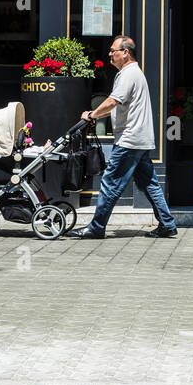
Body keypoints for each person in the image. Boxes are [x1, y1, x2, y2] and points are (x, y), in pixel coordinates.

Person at [67, 35, 178, 240]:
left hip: (129, 139)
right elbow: (120, 105)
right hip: (139, 139)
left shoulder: (128, 74)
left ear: (125, 53)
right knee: (150, 183)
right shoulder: (133, 73)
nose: (110, 54)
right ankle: (167, 224)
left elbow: (113, 102)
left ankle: (97, 227)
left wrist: (92, 114)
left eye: (113, 50)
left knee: (110, 182)